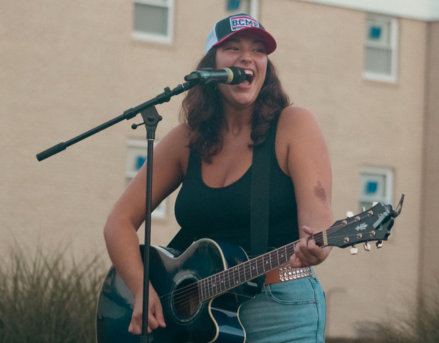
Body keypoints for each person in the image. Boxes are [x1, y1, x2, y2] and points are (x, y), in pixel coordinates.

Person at [103, 13, 334, 343]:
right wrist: (142, 288)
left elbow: (319, 228)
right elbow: (118, 222)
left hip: (281, 309)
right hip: (196, 321)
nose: (246, 58)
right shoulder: (186, 140)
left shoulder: (294, 125)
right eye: (233, 48)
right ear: (211, 65)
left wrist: (318, 248)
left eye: (258, 50)